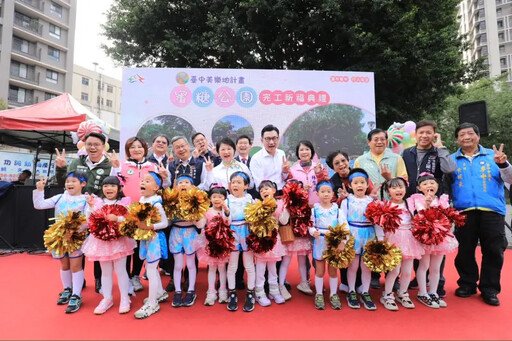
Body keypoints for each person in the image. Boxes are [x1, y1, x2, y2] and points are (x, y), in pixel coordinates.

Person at [447, 123, 512, 306]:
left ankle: (489, 289)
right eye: (461, 134)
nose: (466, 137)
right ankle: (467, 284)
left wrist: (503, 164)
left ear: (478, 136)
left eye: (470, 133)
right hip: (463, 212)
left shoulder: (495, 156)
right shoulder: (451, 160)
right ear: (457, 139)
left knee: (493, 251)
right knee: (464, 250)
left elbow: (510, 179)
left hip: (492, 211)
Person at [55, 132, 116, 293]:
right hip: (76, 214)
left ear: (104, 146)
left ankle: (99, 280)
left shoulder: (109, 165)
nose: (93, 147)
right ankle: (78, 282)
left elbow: (113, 187)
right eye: (89, 144)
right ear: (84, 145)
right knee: (76, 246)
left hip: (98, 212)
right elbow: (65, 182)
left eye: (96, 144)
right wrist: (60, 168)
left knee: (99, 246)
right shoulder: (76, 162)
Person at [402, 120, 456, 297]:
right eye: (421, 132)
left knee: (435, 241)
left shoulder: (438, 152)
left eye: (429, 132)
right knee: (417, 241)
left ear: (434, 134)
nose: (424, 136)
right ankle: (419, 280)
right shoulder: (407, 153)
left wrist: (440, 148)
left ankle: (437, 282)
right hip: (413, 202)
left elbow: (449, 169)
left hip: (435, 204)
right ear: (415, 134)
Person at [113, 136, 169, 293]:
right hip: (126, 211)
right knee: (127, 246)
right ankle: (126, 279)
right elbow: (116, 185)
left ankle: (135, 275)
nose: (136, 149)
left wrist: (165, 178)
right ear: (127, 150)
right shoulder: (122, 165)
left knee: (139, 246)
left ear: (145, 148)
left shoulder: (152, 165)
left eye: (139, 146)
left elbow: (161, 185)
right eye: (132, 147)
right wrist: (115, 168)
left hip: (145, 214)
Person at [354, 128, 408, 289]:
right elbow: (357, 181)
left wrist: (389, 178)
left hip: (392, 207)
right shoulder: (361, 160)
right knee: (374, 240)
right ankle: (375, 274)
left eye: (382, 139)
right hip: (370, 207)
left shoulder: (396, 158)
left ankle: (393, 274)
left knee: (392, 240)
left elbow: (405, 182)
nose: (379, 142)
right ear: (368, 142)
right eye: (375, 139)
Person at [33, 172, 88, 314]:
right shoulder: (59, 198)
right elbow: (39, 205)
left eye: (74, 181)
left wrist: (75, 230)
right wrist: (40, 190)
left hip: (76, 237)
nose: (69, 183)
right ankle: (67, 289)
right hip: (59, 238)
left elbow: (88, 220)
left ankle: (76, 295)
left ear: (83, 184)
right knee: (64, 264)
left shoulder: (86, 200)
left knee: (76, 265)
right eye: (68, 181)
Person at [82, 176, 136, 314]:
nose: (108, 188)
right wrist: (90, 207)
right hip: (101, 241)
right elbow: (90, 218)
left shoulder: (125, 202)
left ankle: (125, 298)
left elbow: (130, 219)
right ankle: (107, 298)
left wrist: (118, 218)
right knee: (105, 272)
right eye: (105, 186)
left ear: (119, 188)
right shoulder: (97, 202)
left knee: (121, 270)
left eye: (112, 185)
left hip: (119, 241)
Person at [410, 173, 458, 309]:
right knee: (424, 265)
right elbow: (419, 215)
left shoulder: (443, 199)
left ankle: (433, 292)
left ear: (437, 185)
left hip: (440, 237)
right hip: (425, 236)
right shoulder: (417, 199)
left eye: (432, 183)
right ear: (419, 188)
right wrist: (427, 203)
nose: (429, 186)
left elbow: (447, 215)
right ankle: (422, 292)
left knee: (436, 267)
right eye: (425, 184)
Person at [341, 168, 384, 310]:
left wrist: (380, 238)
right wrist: (345, 239)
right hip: (353, 234)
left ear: (367, 185)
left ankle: (365, 292)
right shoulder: (347, 201)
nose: (359, 185)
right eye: (356, 183)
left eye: (362, 182)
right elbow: (343, 221)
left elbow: (378, 221)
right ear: (350, 185)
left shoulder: (373, 201)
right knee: (353, 266)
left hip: (369, 235)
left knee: (366, 266)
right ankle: (351, 291)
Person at [380, 177, 423, 311]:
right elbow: (380, 224)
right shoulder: (385, 205)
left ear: (406, 188)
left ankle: (403, 293)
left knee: (407, 270)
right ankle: (387, 294)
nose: (398, 190)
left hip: (409, 239)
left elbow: (422, 212)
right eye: (394, 188)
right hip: (393, 239)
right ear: (388, 191)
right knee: (394, 270)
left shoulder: (410, 203)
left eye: (401, 187)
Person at [133, 172, 170, 319]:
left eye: (148, 181)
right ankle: (160, 293)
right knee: (150, 266)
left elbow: (165, 223)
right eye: (142, 180)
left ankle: (152, 303)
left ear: (156, 187)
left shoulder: (156, 203)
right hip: (145, 238)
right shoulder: (142, 200)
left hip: (154, 239)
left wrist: (149, 227)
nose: (143, 182)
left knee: (151, 270)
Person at [170, 174, 206, 308]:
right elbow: (167, 221)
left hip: (190, 234)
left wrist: (194, 216)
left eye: (186, 182)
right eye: (180, 183)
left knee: (191, 264)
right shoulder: (171, 201)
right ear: (176, 186)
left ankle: (191, 290)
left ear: (192, 186)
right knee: (178, 265)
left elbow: (201, 224)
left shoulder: (197, 201)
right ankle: (178, 291)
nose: (183, 185)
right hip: (175, 233)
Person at [309, 180, 347, 310]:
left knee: (333, 270)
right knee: (319, 271)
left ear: (333, 194)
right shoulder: (315, 210)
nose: (326, 194)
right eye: (323, 191)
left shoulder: (338, 210)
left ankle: (333, 294)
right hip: (320, 242)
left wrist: (343, 241)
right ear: (318, 193)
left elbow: (344, 227)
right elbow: (310, 225)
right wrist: (313, 232)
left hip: (334, 244)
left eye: (328, 191)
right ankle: (319, 294)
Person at [226, 171, 256, 312]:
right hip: (232, 233)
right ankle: (232, 293)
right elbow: (226, 221)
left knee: (249, 265)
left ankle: (250, 293)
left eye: (239, 182)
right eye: (233, 182)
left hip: (247, 233)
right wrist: (226, 213)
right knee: (232, 265)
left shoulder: (250, 201)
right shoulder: (227, 201)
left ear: (246, 186)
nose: (235, 185)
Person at [278, 180, 314, 298]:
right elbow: (283, 221)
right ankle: (281, 284)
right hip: (290, 236)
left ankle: (304, 282)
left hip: (302, 235)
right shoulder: (285, 203)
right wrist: (287, 207)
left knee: (302, 261)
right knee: (286, 261)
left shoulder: (305, 203)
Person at [146, 134, 174, 289]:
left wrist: (165, 178)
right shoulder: (147, 161)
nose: (161, 144)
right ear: (152, 144)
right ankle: (151, 265)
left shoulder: (171, 162)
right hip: (149, 201)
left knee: (166, 232)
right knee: (149, 233)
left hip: (166, 201)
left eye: (164, 142)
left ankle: (167, 265)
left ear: (167, 146)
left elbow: (170, 185)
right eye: (158, 141)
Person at [254, 180, 287, 307]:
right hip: (262, 239)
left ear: (274, 191)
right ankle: (260, 293)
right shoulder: (257, 204)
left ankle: (274, 291)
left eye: (267, 188)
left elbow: (283, 221)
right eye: (261, 190)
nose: (264, 191)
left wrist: (286, 208)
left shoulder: (280, 204)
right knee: (260, 268)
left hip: (275, 239)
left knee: (273, 267)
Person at [198, 184, 231, 306]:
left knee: (222, 268)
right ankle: (211, 292)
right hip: (210, 243)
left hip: (223, 243)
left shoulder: (225, 211)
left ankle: (223, 290)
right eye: (214, 196)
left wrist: (226, 212)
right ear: (210, 198)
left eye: (220, 197)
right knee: (212, 268)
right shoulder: (207, 212)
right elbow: (201, 225)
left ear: (224, 199)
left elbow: (228, 222)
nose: (217, 199)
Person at [250, 124, 290, 190]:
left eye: (274, 138)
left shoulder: (281, 153)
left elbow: (284, 178)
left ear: (278, 139)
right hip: (266, 195)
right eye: (268, 139)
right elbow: (259, 185)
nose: (271, 142)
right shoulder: (256, 158)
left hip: (283, 192)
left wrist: (285, 172)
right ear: (262, 140)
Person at [289, 140, 328, 206]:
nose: (304, 152)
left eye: (307, 149)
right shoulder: (292, 170)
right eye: (301, 150)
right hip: (300, 207)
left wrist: (319, 173)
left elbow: (327, 185)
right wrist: (300, 188)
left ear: (311, 151)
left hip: (319, 206)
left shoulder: (320, 167)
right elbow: (290, 190)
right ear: (297, 153)